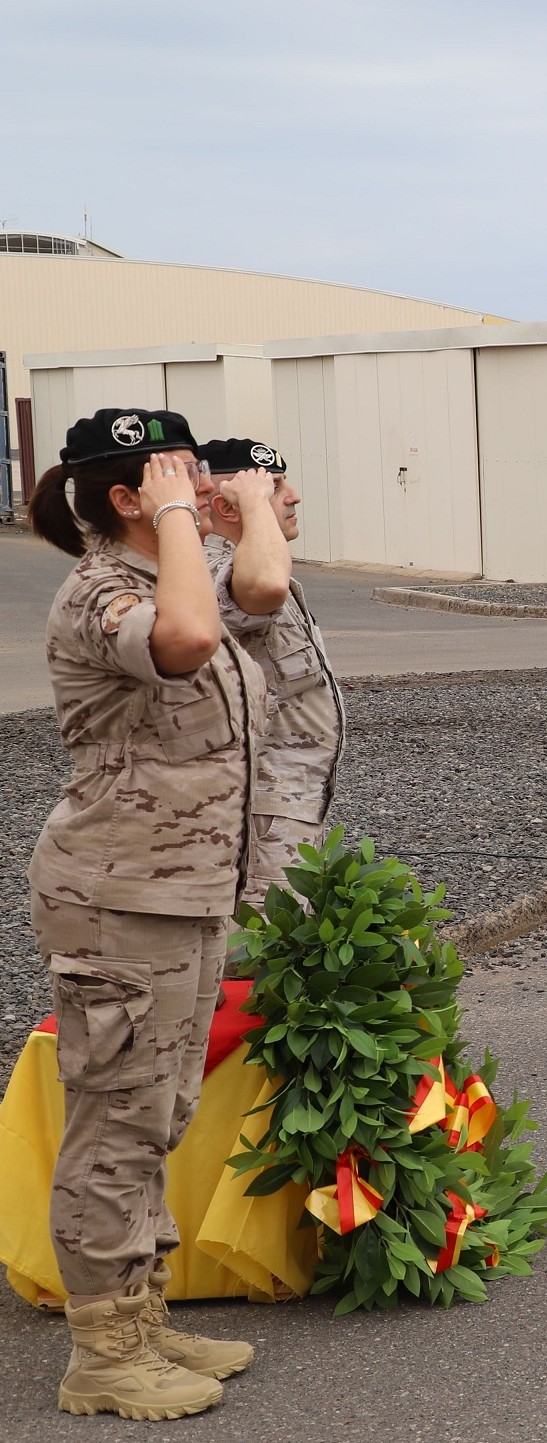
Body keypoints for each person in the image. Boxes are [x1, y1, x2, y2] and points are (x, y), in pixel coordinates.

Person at [25, 409, 265, 1420]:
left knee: (155, 1113)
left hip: (179, 894)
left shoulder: (163, 581)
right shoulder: (101, 593)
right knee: (116, 1123)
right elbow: (191, 638)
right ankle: (105, 1355)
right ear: (127, 499)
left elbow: (252, 591)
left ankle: (142, 1314)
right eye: (177, 475)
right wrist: (178, 516)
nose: (203, 487)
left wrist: (229, 512)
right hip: (120, 898)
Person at [197, 438, 346, 900]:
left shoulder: (247, 563)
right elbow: (263, 587)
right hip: (258, 818)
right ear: (230, 505)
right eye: (274, 488)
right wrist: (255, 505)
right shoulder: (216, 567)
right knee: (256, 955)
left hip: (288, 806)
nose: (293, 496)